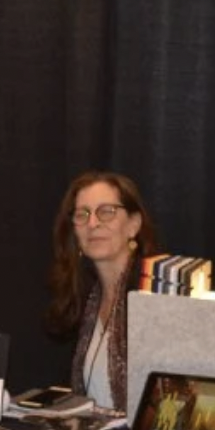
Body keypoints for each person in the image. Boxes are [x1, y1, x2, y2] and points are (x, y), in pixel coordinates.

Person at [43, 171, 158, 411]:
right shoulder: (83, 300)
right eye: (82, 214)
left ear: (134, 225)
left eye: (107, 211)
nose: (93, 223)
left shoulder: (155, 297)